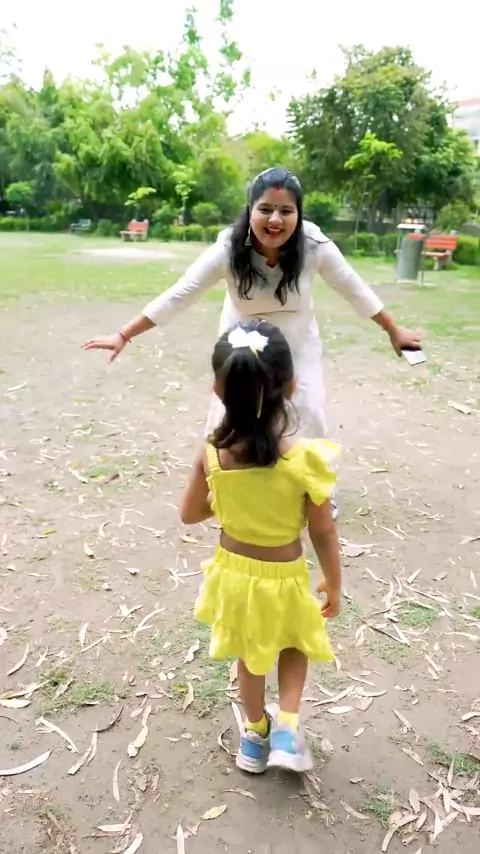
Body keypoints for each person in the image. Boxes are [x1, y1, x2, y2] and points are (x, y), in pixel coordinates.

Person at [82, 167, 421, 516]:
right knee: (231, 409)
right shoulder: (229, 247)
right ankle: (224, 483)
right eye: (266, 209)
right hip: (242, 337)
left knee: (307, 408)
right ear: (250, 209)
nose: (275, 220)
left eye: (286, 211)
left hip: (296, 338)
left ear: (298, 214)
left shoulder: (313, 244)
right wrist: (124, 334)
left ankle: (317, 491)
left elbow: (352, 286)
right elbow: (182, 293)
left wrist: (392, 329)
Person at [180, 319, 342, 774]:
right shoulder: (305, 458)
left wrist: (227, 495)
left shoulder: (212, 455)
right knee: (294, 644)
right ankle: (287, 726)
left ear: (218, 389)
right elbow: (323, 532)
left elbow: (190, 513)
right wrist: (334, 581)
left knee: (249, 656)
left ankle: (255, 737)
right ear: (290, 387)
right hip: (285, 576)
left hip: (234, 576)